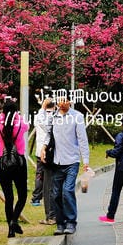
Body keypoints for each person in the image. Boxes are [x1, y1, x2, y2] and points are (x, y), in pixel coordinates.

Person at [38, 96, 89, 236]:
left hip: (72, 160)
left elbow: (82, 139)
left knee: (67, 191)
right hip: (57, 161)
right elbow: (48, 134)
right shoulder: (53, 116)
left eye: (63, 100)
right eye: (59, 100)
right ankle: (60, 223)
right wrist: (43, 147)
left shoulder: (77, 116)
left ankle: (71, 222)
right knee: (56, 194)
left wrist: (86, 161)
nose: (61, 103)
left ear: (69, 102)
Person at [0, 97, 29, 238]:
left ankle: (10, 229)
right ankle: (14, 220)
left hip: (2, 164)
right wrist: (17, 116)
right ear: (16, 112)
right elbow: (27, 126)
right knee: (22, 195)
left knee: (9, 198)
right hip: (18, 163)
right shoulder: (21, 124)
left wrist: (2, 116)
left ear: (3, 112)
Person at [30, 98, 54, 207]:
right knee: (49, 176)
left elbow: (39, 122)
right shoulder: (53, 116)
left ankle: (36, 198)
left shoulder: (40, 116)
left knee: (39, 175)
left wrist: (43, 107)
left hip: (40, 150)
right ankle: (48, 198)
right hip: (50, 151)